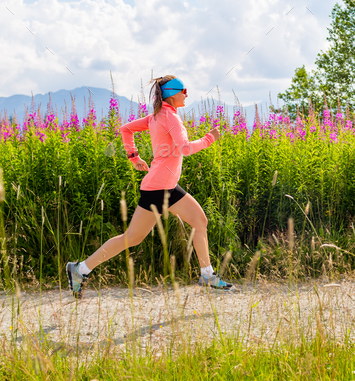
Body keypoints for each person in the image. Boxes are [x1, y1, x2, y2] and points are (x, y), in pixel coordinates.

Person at [66, 75, 233, 298]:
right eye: (183, 90)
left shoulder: (158, 115)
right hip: (158, 188)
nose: (186, 94)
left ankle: (207, 275)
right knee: (132, 237)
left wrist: (134, 158)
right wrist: (208, 139)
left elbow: (126, 129)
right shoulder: (169, 117)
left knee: (199, 221)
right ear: (172, 93)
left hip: (168, 186)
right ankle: (80, 269)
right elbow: (184, 148)